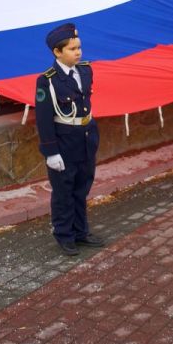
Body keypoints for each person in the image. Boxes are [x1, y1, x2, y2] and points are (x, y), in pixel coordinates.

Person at [35, 23, 103, 256]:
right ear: (57, 52)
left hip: (85, 139)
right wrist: (51, 152)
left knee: (82, 188)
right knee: (64, 191)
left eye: (79, 47)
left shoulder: (85, 70)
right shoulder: (48, 80)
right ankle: (64, 235)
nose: (78, 52)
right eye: (72, 49)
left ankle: (80, 231)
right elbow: (44, 119)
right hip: (63, 144)